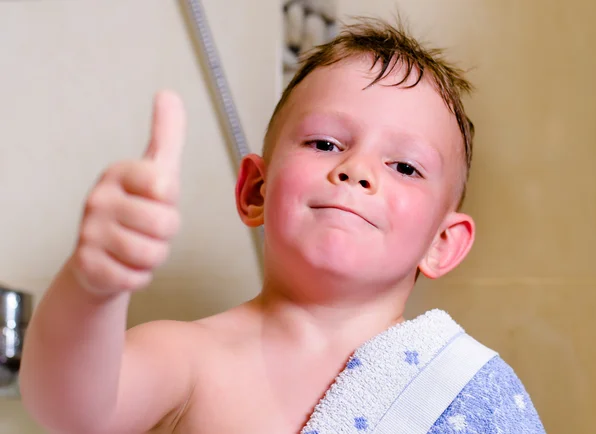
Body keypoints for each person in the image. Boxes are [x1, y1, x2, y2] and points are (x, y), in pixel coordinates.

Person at [19, 18, 546, 434]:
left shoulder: (459, 390)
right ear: (255, 190)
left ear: (442, 243)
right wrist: (92, 289)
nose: (356, 170)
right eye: (325, 144)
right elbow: (69, 410)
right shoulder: (192, 359)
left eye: (404, 167)